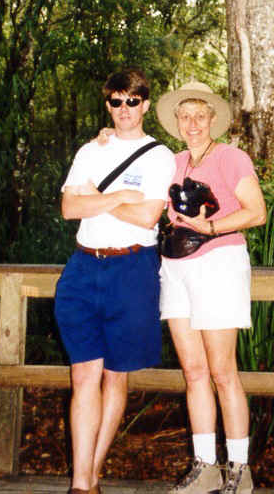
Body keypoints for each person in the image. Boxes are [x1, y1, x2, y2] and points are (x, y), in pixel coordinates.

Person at [54, 67, 176, 494]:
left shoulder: (161, 155)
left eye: (132, 100)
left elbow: (147, 216)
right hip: (83, 269)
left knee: (115, 376)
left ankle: (92, 473)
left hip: (132, 269)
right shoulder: (91, 149)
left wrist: (96, 199)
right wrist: (118, 197)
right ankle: (81, 483)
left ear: (144, 104)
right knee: (83, 376)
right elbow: (70, 208)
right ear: (108, 104)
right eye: (116, 101)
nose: (124, 109)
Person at [155, 81, 267, 494]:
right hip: (176, 268)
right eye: (185, 116)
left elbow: (257, 213)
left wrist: (212, 228)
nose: (193, 123)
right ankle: (204, 467)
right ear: (176, 122)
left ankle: (239, 469)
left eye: (200, 115)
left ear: (212, 119)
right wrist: (108, 136)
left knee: (222, 372)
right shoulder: (173, 161)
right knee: (194, 372)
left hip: (219, 264)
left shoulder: (231, 157)